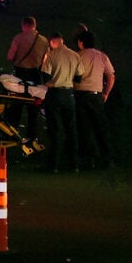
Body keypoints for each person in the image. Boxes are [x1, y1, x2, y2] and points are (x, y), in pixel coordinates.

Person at [74, 29, 116, 168]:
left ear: (81, 43)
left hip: (79, 95)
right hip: (96, 96)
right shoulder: (102, 56)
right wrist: (106, 93)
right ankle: (107, 159)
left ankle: (88, 159)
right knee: (101, 128)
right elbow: (111, 76)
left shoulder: (76, 56)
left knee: (84, 128)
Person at [42, 31, 81, 173]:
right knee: (71, 129)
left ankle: (54, 165)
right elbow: (78, 78)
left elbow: (45, 77)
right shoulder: (75, 55)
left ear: (52, 42)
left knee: (55, 130)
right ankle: (74, 164)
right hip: (69, 95)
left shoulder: (51, 55)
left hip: (55, 94)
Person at [6, 15, 49, 145]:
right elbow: (46, 60)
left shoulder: (18, 38)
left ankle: (13, 132)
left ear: (24, 25)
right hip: (35, 75)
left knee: (16, 104)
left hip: (20, 75)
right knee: (33, 107)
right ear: (35, 25)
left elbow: (10, 56)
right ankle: (32, 135)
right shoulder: (43, 40)